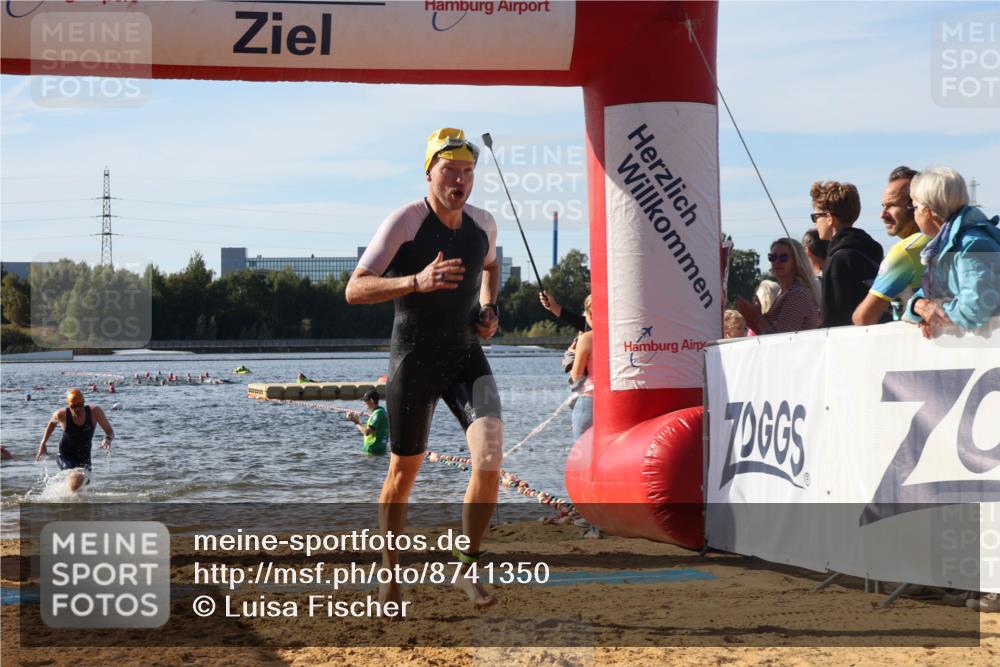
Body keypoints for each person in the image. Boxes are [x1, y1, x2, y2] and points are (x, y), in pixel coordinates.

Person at [345, 128, 503, 609]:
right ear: (429, 172)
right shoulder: (406, 222)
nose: (460, 179)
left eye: (468, 171)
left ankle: (467, 567)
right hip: (413, 360)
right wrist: (417, 280)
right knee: (401, 473)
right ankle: (391, 573)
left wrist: (488, 309)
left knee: (491, 456)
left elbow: (492, 267)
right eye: (450, 170)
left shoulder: (483, 225)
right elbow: (355, 288)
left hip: (464, 356)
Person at [902, 166, 1000, 336]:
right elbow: (928, 295)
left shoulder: (970, 246)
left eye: (914, 208)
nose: (914, 215)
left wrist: (936, 312)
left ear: (927, 211)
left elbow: (976, 308)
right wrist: (918, 305)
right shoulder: (948, 246)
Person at [853, 166, 929, 325]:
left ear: (914, 205)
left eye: (892, 205)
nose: (883, 214)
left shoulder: (906, 250)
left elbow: (863, 318)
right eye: (883, 206)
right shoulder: (945, 239)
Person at [811, 180, 884, 327]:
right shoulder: (869, 249)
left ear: (829, 218)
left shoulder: (838, 260)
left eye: (816, 217)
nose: (815, 223)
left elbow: (833, 319)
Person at [35, 389, 115, 492]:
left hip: (85, 457)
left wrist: (107, 438)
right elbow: (51, 423)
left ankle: (71, 503)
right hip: (65, 455)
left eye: (80, 405)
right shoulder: (62, 414)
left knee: (84, 486)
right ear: (69, 406)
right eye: (73, 406)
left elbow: (110, 432)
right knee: (77, 479)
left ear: (84, 403)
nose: (78, 409)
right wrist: (43, 443)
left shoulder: (95, 412)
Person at [736, 239, 821, 334]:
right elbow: (767, 333)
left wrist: (756, 317)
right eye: (772, 257)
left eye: (783, 257)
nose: (777, 261)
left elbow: (781, 338)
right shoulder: (785, 292)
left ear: (796, 260)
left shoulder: (797, 294)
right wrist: (750, 316)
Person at [569, 295, 594, 439]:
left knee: (583, 456)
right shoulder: (622, 335)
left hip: (589, 402)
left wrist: (571, 354)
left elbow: (576, 377)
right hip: (615, 401)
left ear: (589, 314)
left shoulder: (586, 338)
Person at [346, 389, 389, 455]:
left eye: (365, 401)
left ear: (371, 401)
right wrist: (358, 421)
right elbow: (369, 430)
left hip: (374, 450)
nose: (364, 403)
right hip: (376, 450)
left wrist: (355, 421)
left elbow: (366, 432)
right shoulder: (380, 412)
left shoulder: (378, 413)